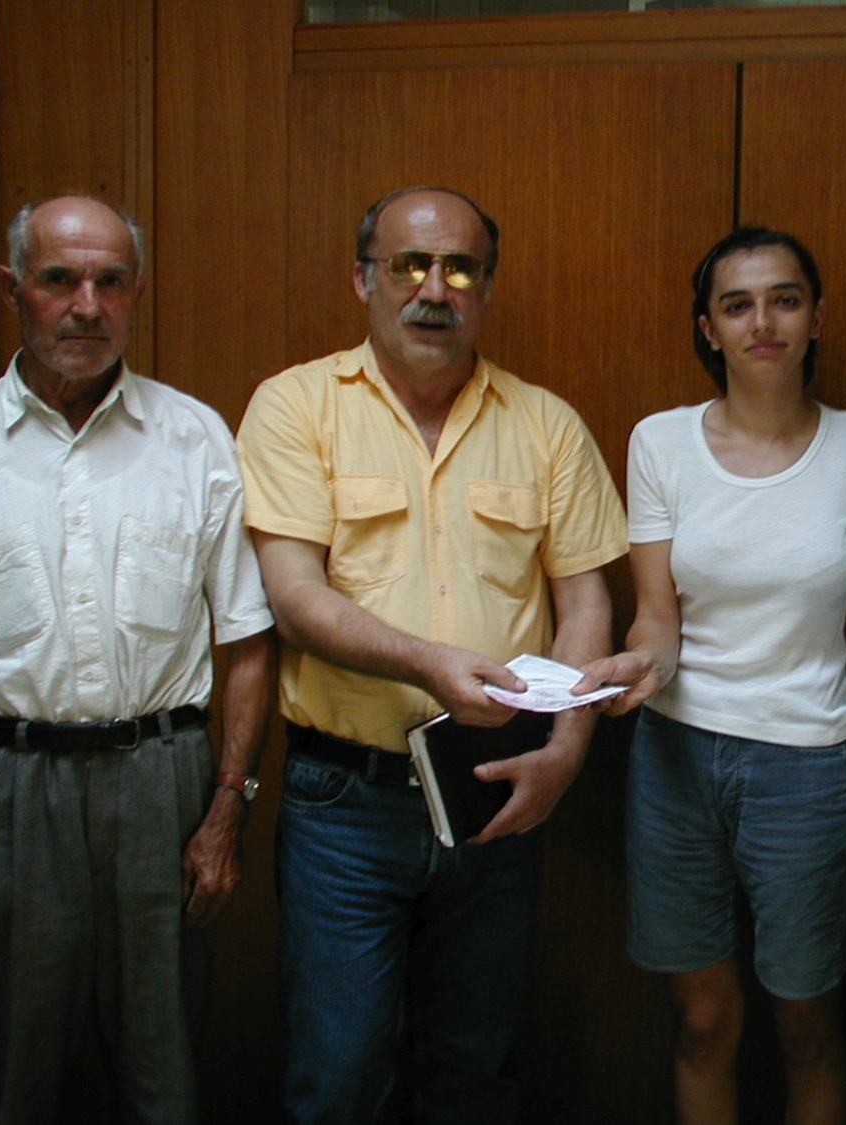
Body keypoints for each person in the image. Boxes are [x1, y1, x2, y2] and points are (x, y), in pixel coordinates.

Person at [0, 194, 277, 1124]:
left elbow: (249, 648)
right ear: (12, 289)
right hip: (4, 787)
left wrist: (225, 810)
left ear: (136, 292)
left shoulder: (196, 439)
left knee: (161, 1063)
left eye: (110, 281)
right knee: (5, 1063)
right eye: (60, 280)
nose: (86, 306)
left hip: (163, 784)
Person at [235, 186, 627, 1125]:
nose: (434, 287)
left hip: (500, 794)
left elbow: (587, 606)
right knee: (336, 1079)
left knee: (472, 1075)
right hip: (345, 808)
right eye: (410, 264)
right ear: (363, 276)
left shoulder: (546, 425)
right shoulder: (295, 407)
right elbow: (293, 598)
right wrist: (427, 663)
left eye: (460, 267)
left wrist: (566, 754)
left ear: (487, 287)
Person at [573, 227, 846, 1125]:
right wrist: (641, 661)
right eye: (738, 303)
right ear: (707, 326)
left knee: (807, 1023)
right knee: (703, 1020)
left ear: (816, 316)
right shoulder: (660, 443)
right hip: (676, 757)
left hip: (808, 765)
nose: (763, 322)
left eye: (785, 299)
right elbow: (658, 617)